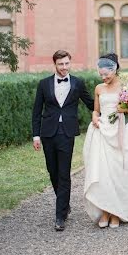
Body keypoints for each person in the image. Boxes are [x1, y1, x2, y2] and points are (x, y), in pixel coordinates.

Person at [32, 49, 94, 231]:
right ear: (55, 65)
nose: (64, 67)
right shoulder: (43, 84)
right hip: (48, 133)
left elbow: (91, 103)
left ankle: (60, 216)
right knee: (53, 172)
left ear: (70, 63)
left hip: (67, 134)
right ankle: (65, 205)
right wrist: (36, 135)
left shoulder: (77, 83)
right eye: (61, 64)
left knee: (64, 173)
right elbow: (36, 112)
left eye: (67, 63)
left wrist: (114, 105)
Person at [83, 52, 128, 228]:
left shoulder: (127, 87)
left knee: (119, 170)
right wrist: (94, 117)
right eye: (101, 74)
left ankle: (118, 212)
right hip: (103, 131)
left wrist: (124, 109)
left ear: (115, 68)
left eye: (106, 74)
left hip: (121, 131)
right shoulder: (98, 88)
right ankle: (105, 211)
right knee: (103, 172)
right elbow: (96, 110)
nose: (104, 77)